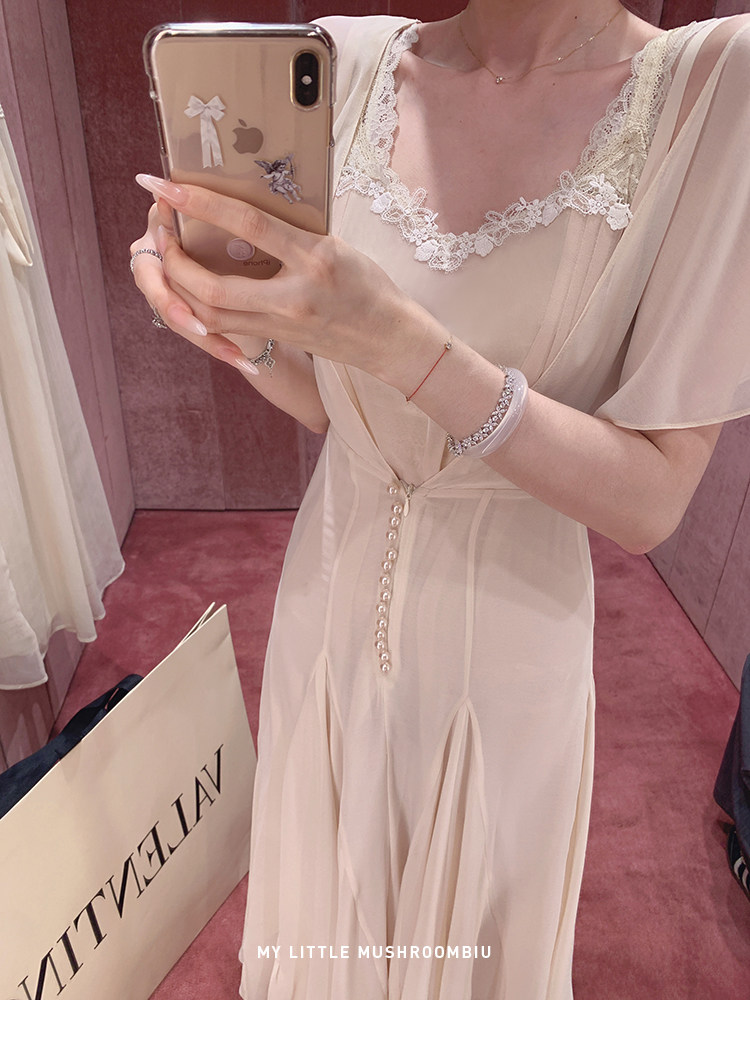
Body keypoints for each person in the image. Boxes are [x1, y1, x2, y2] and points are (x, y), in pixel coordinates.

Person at [130, 2, 750, 1000]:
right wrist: (231, 326)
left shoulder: (707, 85)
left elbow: (652, 500)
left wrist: (401, 344)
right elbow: (335, 406)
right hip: (326, 596)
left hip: (505, 651)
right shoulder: (350, 60)